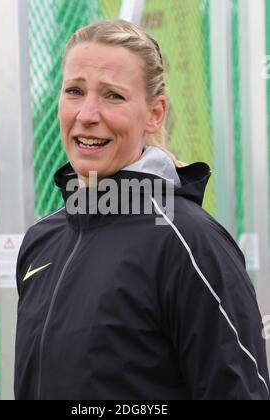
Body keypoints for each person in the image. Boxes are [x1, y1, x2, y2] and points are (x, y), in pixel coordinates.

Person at [14, 19, 270, 400]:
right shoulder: (42, 240)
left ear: (154, 113)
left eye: (113, 96)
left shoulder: (190, 243)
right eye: (74, 91)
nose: (87, 114)